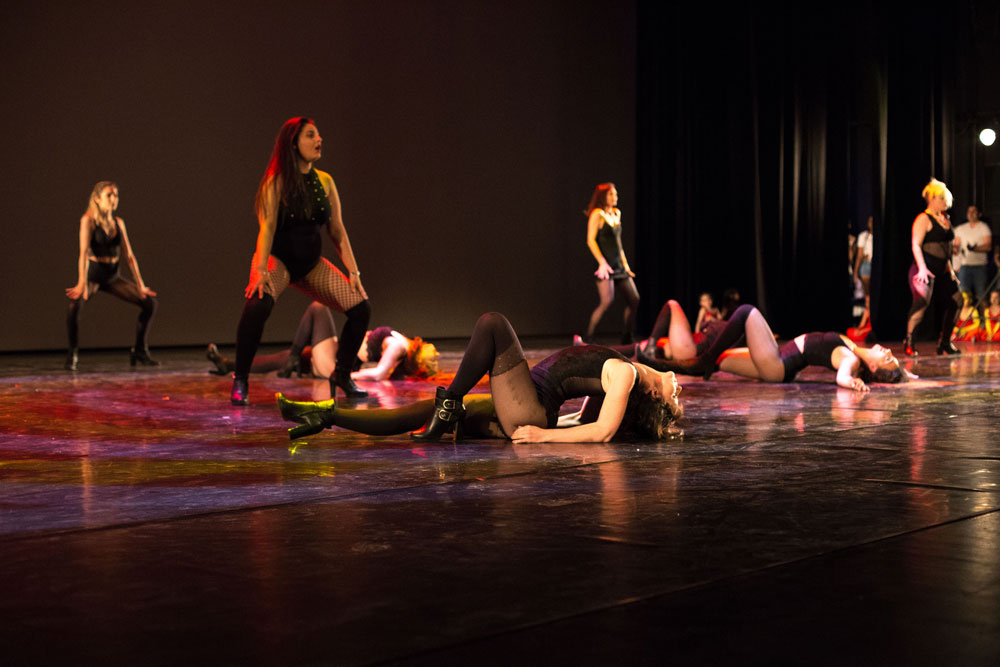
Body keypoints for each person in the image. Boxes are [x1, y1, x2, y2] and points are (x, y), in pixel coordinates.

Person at [276, 312, 682, 443]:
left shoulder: (627, 376)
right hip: (525, 403)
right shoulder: (626, 375)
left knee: (493, 324)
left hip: (528, 409)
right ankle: (325, 416)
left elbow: (603, 433)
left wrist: (543, 436)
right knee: (419, 412)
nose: (679, 390)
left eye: (675, 400)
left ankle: (448, 400)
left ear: (656, 397)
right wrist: (560, 427)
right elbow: (590, 420)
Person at [231, 117, 371, 405]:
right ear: (293, 143)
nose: (319, 140)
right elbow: (267, 229)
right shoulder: (276, 183)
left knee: (361, 309)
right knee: (257, 305)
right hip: (278, 262)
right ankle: (240, 378)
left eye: (319, 134)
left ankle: (342, 375)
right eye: (311, 135)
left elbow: (337, 231)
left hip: (311, 266)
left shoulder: (325, 182)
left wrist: (353, 271)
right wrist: (259, 270)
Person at [636, 304, 909, 392]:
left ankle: (703, 361)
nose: (888, 352)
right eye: (892, 356)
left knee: (746, 312)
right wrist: (907, 375)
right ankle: (651, 363)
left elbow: (843, 376)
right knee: (723, 360)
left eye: (887, 361)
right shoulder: (853, 349)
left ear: (872, 368)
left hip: (778, 364)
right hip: (779, 364)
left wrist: (853, 383)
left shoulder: (849, 358)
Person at [208, 302, 438, 380]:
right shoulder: (401, 344)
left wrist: (345, 377)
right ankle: (229, 365)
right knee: (281, 358)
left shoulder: (398, 346)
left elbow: (378, 374)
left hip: (333, 364)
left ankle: (294, 359)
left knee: (318, 307)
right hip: (334, 354)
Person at [64, 181, 158, 371]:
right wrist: (81, 282)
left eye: (116, 195)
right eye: (109, 195)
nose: (114, 199)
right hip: (94, 276)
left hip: (112, 277)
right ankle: (72, 354)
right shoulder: (88, 221)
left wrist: (140, 284)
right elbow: (83, 253)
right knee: (74, 306)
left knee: (149, 303)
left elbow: (129, 256)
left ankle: (139, 350)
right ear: (97, 199)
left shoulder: (118, 223)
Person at [903, 179, 961, 357]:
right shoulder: (923, 218)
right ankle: (910, 342)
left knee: (957, 301)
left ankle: (945, 342)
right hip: (924, 268)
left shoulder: (945, 219)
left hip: (943, 270)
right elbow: (915, 244)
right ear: (933, 198)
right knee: (921, 303)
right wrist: (921, 268)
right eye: (942, 198)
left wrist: (950, 270)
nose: (945, 202)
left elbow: (946, 248)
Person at [583, 183, 639, 344]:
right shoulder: (597, 214)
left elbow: (618, 244)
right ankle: (588, 337)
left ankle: (627, 336)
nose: (615, 197)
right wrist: (601, 262)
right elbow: (590, 240)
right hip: (606, 266)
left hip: (619, 265)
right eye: (611, 194)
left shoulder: (616, 213)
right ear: (603, 197)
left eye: (615, 194)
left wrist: (626, 265)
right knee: (606, 301)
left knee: (634, 299)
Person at [952, 206, 992, 307]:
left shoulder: (983, 227)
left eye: (974, 211)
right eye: (969, 211)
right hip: (964, 266)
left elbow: (988, 246)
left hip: (979, 266)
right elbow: (956, 245)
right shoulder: (961, 228)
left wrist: (974, 249)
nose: (971, 213)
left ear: (979, 214)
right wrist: (955, 249)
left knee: (981, 296)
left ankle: (985, 321)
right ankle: (962, 321)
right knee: (963, 296)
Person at [853, 216, 874, 329]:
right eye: (870, 221)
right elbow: (859, 255)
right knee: (867, 295)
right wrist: (856, 272)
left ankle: (867, 319)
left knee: (872, 295)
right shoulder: (864, 236)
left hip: (874, 265)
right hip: (866, 265)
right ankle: (865, 320)